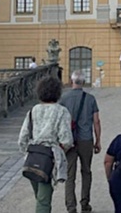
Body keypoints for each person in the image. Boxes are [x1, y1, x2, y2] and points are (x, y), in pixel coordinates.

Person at [18, 76, 73, 213]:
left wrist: (28, 152)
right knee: (44, 200)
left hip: (32, 157)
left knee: (40, 196)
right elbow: (67, 140)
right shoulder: (61, 111)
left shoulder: (33, 111)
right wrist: (59, 151)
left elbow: (22, 139)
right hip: (48, 158)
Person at [60, 70, 102, 213]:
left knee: (70, 175)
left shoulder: (64, 99)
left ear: (72, 81)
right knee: (86, 172)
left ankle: (71, 207)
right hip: (86, 140)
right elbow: (96, 121)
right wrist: (98, 141)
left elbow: (59, 122)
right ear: (83, 82)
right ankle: (85, 203)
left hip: (69, 141)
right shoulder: (90, 99)